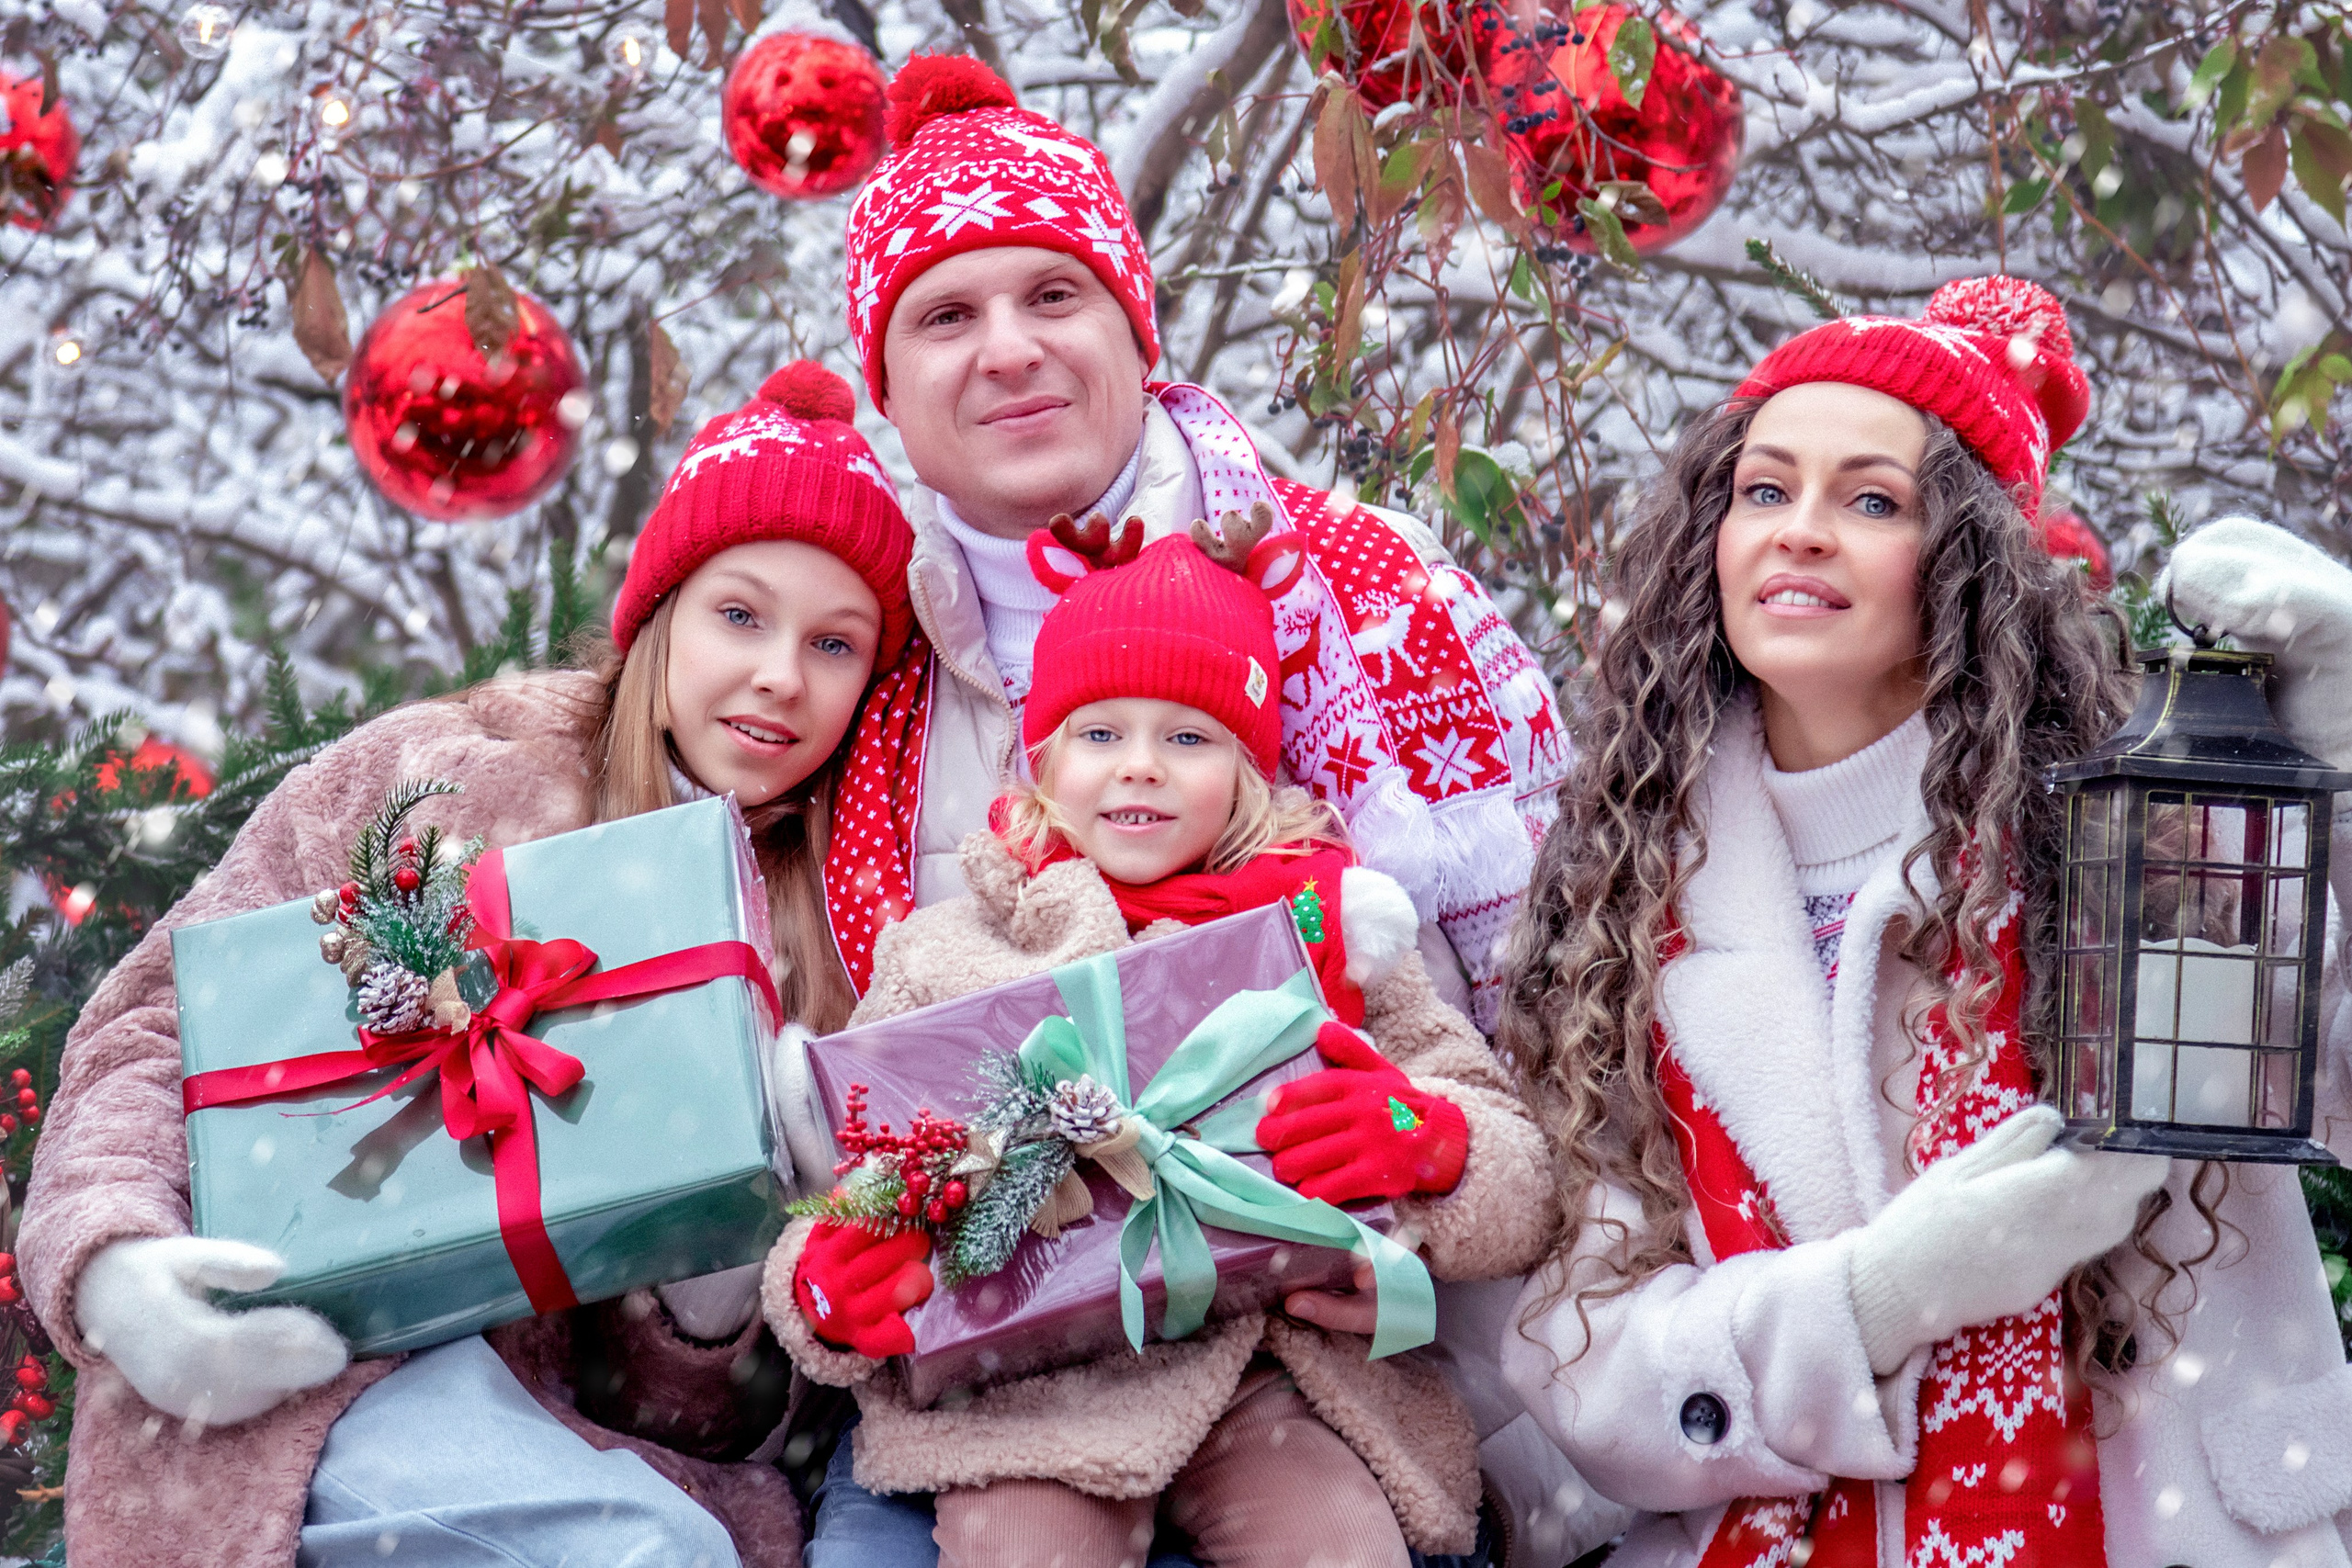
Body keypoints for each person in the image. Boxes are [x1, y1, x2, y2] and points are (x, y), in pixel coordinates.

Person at [1498, 275, 2352, 1566]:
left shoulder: (2143, 836)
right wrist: (1882, 1295)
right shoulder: (1623, 903)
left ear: (1965, 564)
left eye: (1871, 501)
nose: (1799, 532)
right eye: (1764, 490)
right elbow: (1584, 1370)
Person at [17, 363, 913, 1568]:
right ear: (662, 613)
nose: (780, 676)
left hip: (595, 1460)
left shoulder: (839, 930)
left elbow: (732, 1418)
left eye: (835, 642)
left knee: (662, 1546)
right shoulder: (445, 773)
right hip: (310, 1383)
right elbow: (159, 1024)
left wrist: (714, 1285)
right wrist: (119, 1264)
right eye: (740, 615)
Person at [763, 522, 1555, 1568]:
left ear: (1247, 770)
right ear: (1045, 759)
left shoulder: (1324, 931)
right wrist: (823, 1293)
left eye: (1188, 739)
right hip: (1026, 1395)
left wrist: (1432, 1142)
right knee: (1023, 1551)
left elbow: (1515, 1163)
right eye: (1100, 733)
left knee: (1340, 1545)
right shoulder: (947, 949)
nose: (1140, 767)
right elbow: (854, 1180)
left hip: (1273, 1375)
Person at [811, 53, 1569, 1039]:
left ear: (1138, 335)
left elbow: (1571, 1003)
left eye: (1053, 295)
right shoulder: (848, 670)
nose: (1008, 352)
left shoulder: (1374, 587)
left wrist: (1421, 1121)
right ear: (885, 387)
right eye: (946, 317)